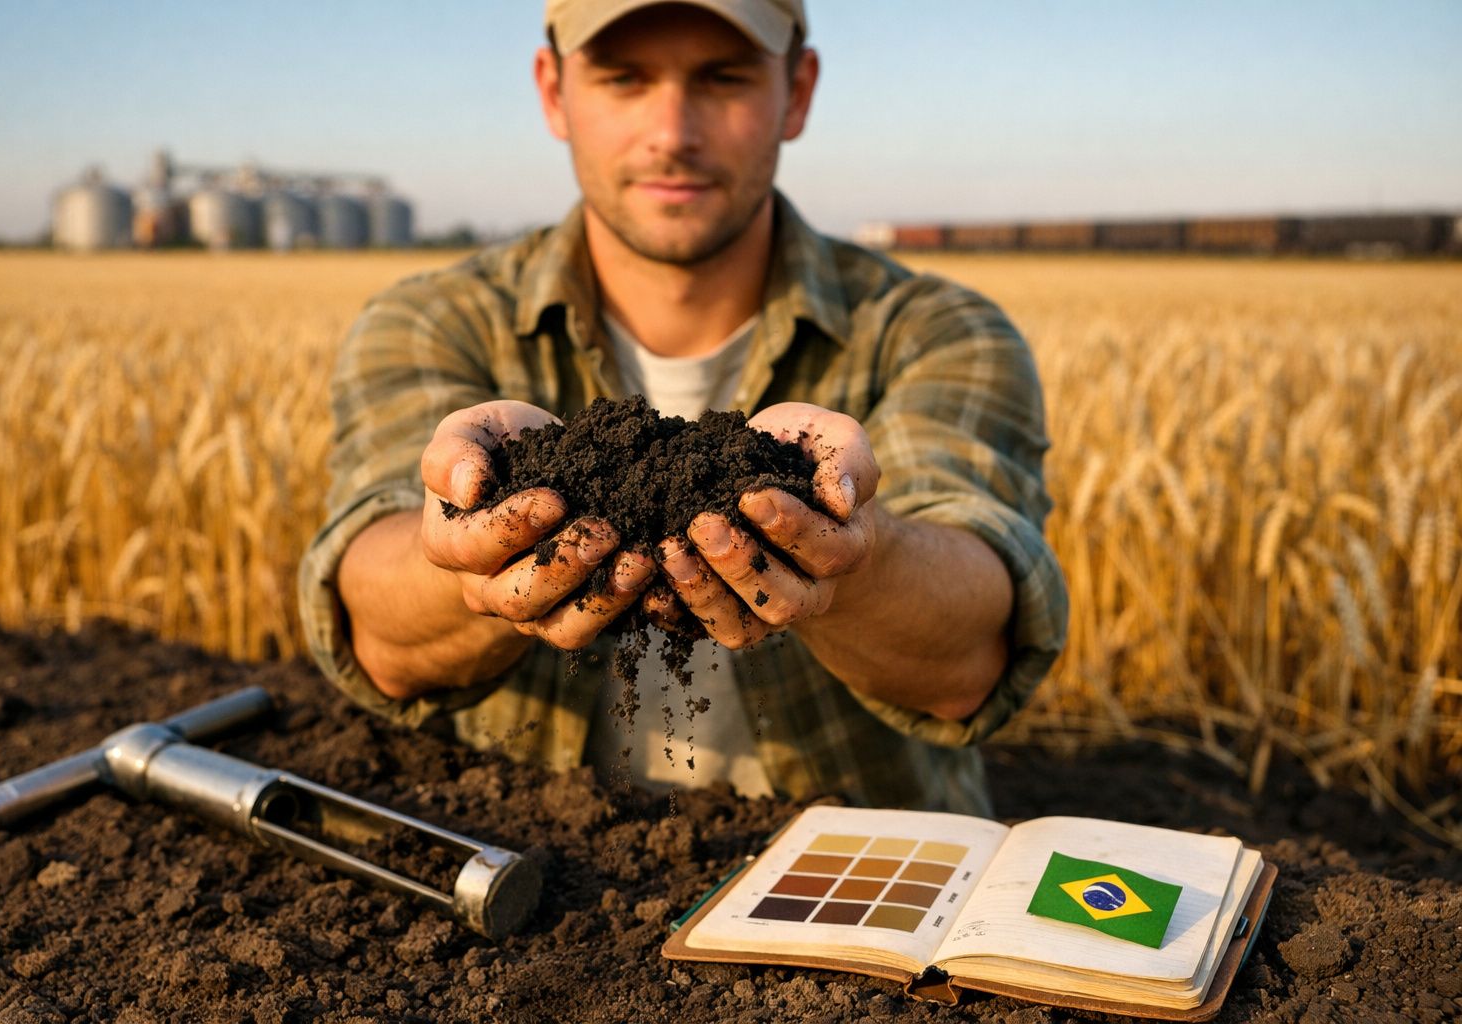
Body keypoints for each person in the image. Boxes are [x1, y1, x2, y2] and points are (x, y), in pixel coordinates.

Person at [298, 0, 1067, 814]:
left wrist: (855, 556)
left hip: (851, 894)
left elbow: (972, 659)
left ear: (796, 91)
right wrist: (465, 553)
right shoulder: (430, 322)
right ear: (554, 91)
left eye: (723, 77)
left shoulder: (937, 331)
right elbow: (377, 633)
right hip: (536, 893)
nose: (672, 131)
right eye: (624, 78)